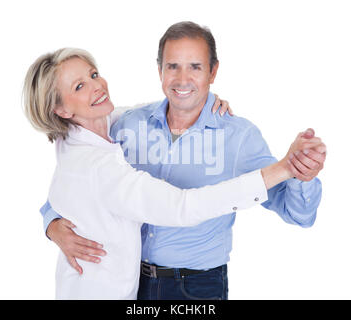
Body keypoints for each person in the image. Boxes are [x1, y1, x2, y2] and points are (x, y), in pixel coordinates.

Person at [41, 22, 326, 300]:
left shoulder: (237, 135)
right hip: (130, 282)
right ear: (160, 71)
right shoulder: (126, 125)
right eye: (173, 66)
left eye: (195, 67)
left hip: (196, 287)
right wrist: (52, 224)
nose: (182, 79)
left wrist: (302, 172)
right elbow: (75, 189)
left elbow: (298, 213)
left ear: (213, 71)